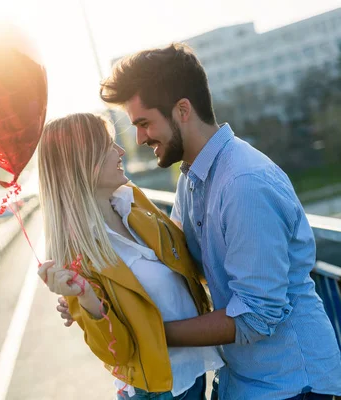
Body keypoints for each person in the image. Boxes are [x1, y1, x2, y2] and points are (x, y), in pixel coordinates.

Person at [56, 43, 341, 400]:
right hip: (242, 378)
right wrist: (93, 304)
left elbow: (255, 317)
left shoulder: (243, 185)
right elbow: (181, 267)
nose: (139, 139)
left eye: (144, 123)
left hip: (292, 384)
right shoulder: (193, 178)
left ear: (182, 110)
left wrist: (148, 332)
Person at [37, 112, 224, 400]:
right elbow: (117, 353)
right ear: (82, 163)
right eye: (107, 146)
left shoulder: (131, 203)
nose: (121, 151)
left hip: (192, 373)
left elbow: (185, 260)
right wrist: (85, 300)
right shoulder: (77, 257)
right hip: (156, 391)